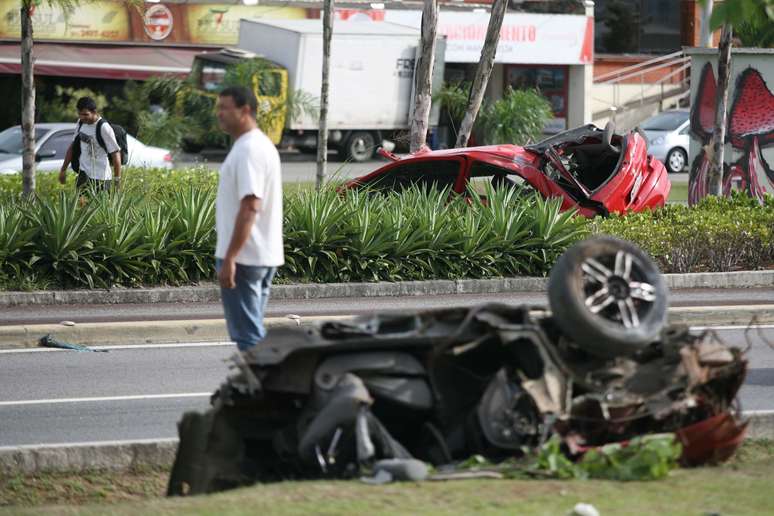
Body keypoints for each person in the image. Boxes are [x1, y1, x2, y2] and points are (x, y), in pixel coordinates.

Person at [214, 86, 284, 355]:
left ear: (245, 111)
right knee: (252, 333)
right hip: (258, 255)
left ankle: (272, 392)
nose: (219, 114)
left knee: (249, 337)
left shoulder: (249, 149)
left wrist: (231, 257)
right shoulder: (257, 145)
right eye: (218, 107)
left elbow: (250, 206)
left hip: (245, 257)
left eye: (225, 108)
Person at [59, 96, 121, 191]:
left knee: (99, 206)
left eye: (85, 114)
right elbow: (73, 146)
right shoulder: (81, 123)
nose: (82, 117)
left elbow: (115, 154)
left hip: (101, 178)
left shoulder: (104, 127)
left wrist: (117, 180)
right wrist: (63, 169)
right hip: (83, 175)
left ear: (94, 112)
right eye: (79, 114)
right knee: (81, 205)